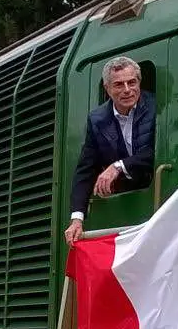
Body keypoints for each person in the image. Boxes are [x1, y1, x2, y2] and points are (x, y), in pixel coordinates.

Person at [64, 56, 156, 245]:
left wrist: (118, 166)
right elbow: (85, 169)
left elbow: (155, 152)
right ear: (107, 88)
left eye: (132, 82)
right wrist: (76, 219)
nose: (127, 90)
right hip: (125, 208)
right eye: (119, 85)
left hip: (156, 199)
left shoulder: (157, 106)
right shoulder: (97, 120)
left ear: (139, 82)